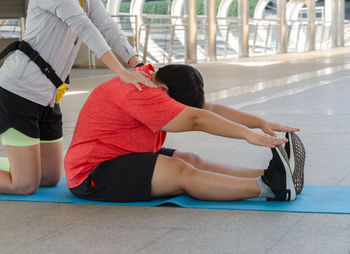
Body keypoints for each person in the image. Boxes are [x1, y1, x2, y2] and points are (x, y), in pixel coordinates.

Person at [64, 64, 303, 203]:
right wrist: (246, 135)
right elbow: (197, 119)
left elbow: (208, 109)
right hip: (93, 173)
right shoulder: (138, 91)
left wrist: (260, 123)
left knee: (192, 160)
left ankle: (274, 175)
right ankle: (271, 188)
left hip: (124, 155)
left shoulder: (153, 82)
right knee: (182, 172)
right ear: (164, 90)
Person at [0, 0, 155, 195]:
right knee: (24, 185)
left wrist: (138, 64)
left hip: (48, 99)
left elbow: (107, 27)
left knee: (49, 178)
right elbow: (85, 27)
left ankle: (21, 164)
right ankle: (22, 168)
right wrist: (121, 72)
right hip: (18, 93)